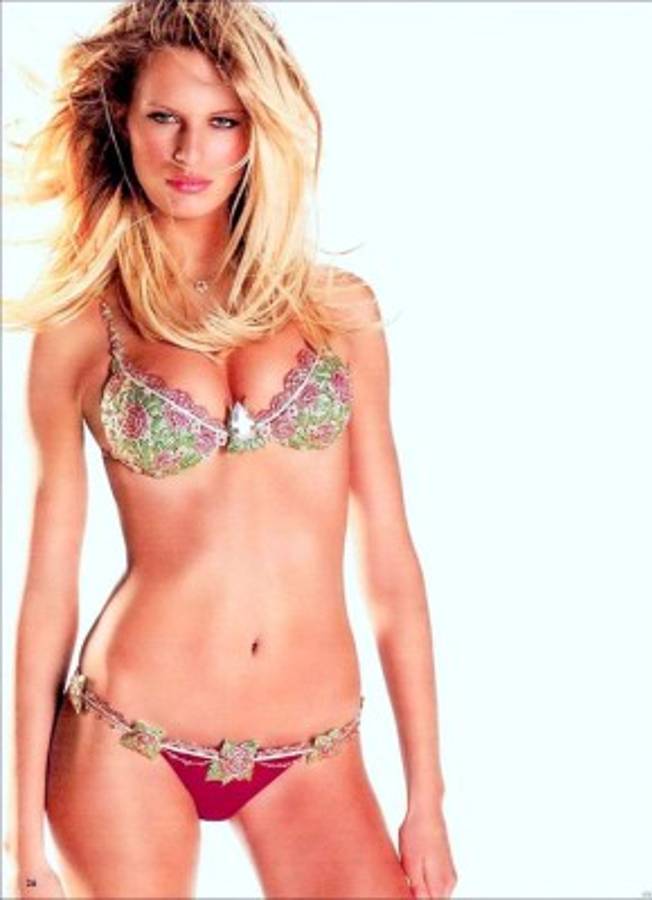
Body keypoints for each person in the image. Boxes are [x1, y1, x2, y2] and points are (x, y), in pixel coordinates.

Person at [2, 1, 457, 897]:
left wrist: (426, 797)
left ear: (260, 133)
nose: (189, 152)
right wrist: (21, 839)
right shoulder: (79, 329)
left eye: (222, 122)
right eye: (163, 118)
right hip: (129, 736)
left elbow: (390, 563)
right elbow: (47, 586)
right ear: (121, 122)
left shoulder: (339, 311)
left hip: (314, 748)